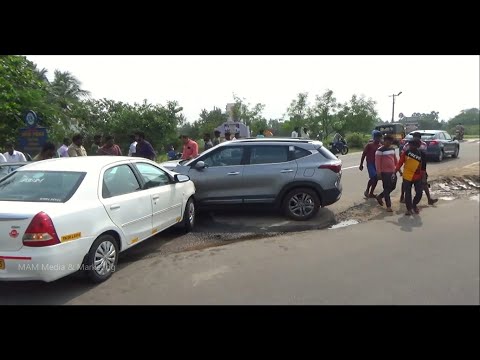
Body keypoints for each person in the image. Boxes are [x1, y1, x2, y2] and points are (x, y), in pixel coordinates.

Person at [399, 132, 438, 205]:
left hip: (420, 166)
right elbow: (403, 155)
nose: (415, 139)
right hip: (410, 167)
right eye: (414, 137)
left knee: (424, 182)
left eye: (416, 137)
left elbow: (423, 157)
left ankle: (429, 199)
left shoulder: (423, 145)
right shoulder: (408, 145)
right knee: (406, 183)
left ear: (419, 138)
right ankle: (402, 197)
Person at [395, 139, 425, 215]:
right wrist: (395, 171)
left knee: (419, 193)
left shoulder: (422, 154)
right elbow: (400, 163)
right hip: (407, 176)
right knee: (407, 193)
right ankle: (409, 209)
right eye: (410, 145)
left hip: (418, 176)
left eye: (413, 145)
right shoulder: (406, 153)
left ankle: (414, 205)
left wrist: (423, 177)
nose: (411, 146)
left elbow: (423, 167)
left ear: (418, 146)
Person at [374, 135, 398, 212]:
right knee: (387, 188)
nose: (389, 143)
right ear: (384, 141)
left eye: (390, 142)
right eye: (387, 141)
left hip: (393, 171)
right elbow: (377, 163)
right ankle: (388, 206)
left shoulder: (392, 149)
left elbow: (395, 160)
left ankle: (380, 196)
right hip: (384, 172)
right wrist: (379, 173)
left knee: (393, 187)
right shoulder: (380, 150)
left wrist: (398, 169)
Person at [359, 130, 382, 198]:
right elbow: (364, 154)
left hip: (377, 164)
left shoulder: (380, 146)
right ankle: (367, 190)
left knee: (376, 178)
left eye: (379, 137)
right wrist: (361, 164)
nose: (378, 139)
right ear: (374, 138)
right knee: (373, 177)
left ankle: (371, 193)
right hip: (370, 163)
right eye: (377, 137)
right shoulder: (369, 145)